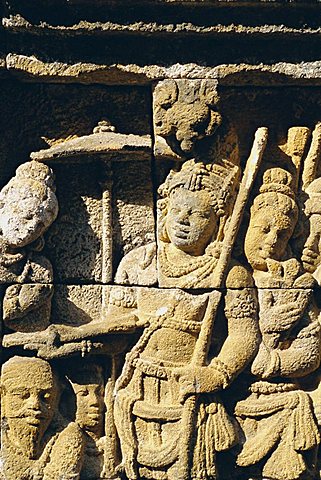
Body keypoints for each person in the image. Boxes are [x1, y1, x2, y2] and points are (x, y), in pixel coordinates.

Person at [235, 168, 320, 480]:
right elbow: (232, 342)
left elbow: (311, 348)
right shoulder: (237, 279)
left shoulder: (299, 286)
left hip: (288, 393)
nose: (272, 240)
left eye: (282, 234)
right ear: (245, 225)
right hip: (239, 396)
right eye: (264, 229)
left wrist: (270, 361)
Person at [1, 356, 84, 480]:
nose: (35, 405)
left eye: (45, 397)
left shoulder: (67, 436)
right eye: (23, 395)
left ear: (57, 398)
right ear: (3, 396)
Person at [0, 161, 58, 332]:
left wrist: (18, 309)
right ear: (3, 207)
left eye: (41, 225)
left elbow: (37, 327)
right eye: (26, 216)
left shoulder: (39, 268)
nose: (32, 227)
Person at [67, 362, 106, 479]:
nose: (95, 401)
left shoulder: (115, 446)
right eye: (84, 394)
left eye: (99, 393)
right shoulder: (62, 445)